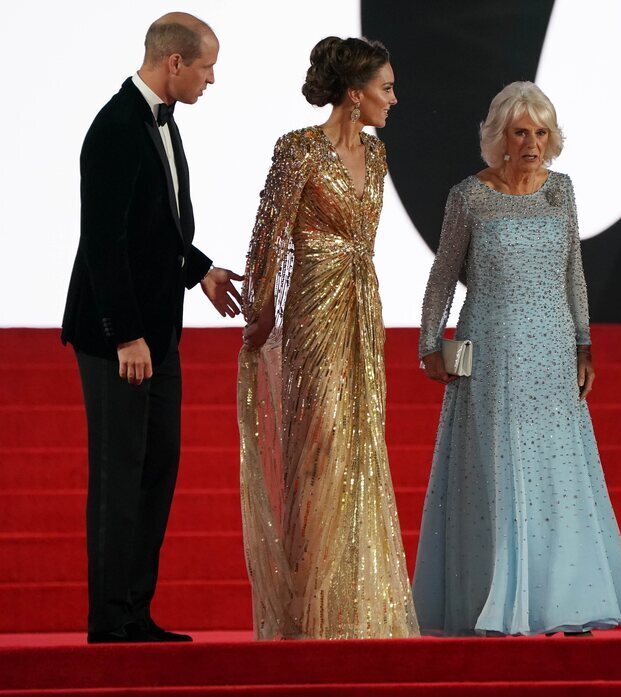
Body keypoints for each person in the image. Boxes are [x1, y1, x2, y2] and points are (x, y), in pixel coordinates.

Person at [413, 81, 621, 637]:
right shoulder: (468, 196)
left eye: (541, 133)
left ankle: (564, 602)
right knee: (494, 470)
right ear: (499, 136)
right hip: (487, 348)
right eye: (521, 132)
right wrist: (429, 342)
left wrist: (585, 343)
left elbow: (573, 272)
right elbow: (444, 274)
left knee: (559, 475)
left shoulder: (560, 191)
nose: (532, 143)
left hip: (552, 348)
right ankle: (494, 599)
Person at [61, 12, 243, 644]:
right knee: (120, 469)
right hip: (120, 337)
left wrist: (202, 271)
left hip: (158, 332)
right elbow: (103, 243)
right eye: (205, 67)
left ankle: (136, 611)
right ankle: (110, 619)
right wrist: (124, 334)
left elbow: (158, 229)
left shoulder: (164, 125)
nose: (210, 79)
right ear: (174, 63)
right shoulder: (114, 128)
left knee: (157, 464)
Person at [238, 36, 418, 640]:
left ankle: (354, 607)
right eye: (386, 88)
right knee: (320, 443)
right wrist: (259, 312)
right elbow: (270, 237)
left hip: (363, 309)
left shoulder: (378, 152)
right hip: (314, 308)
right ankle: (308, 610)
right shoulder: (298, 150)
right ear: (353, 92)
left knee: (362, 444)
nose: (394, 99)